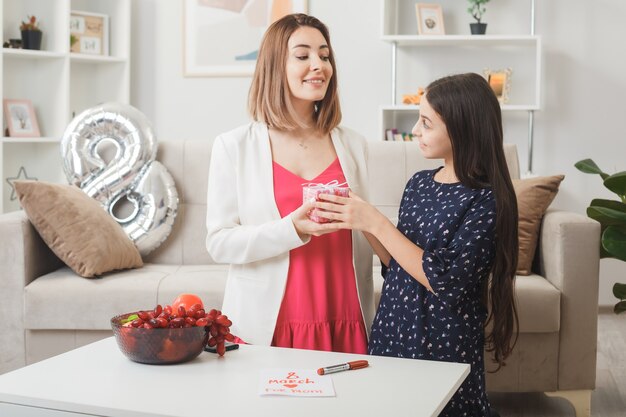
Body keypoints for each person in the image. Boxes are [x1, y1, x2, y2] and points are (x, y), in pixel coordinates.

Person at [314, 73, 519, 416]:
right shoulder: (420, 183)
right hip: (393, 326)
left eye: (426, 122)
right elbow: (398, 263)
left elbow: (447, 281)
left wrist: (375, 220)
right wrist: (357, 218)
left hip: (443, 339)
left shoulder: (486, 200)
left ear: (461, 128)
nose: (415, 130)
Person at [205, 14, 374, 354]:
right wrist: (291, 229)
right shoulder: (233, 146)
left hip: (344, 313)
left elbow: (366, 231)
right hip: (270, 320)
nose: (319, 66)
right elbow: (220, 243)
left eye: (325, 56)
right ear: (274, 66)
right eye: (303, 55)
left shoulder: (354, 144)